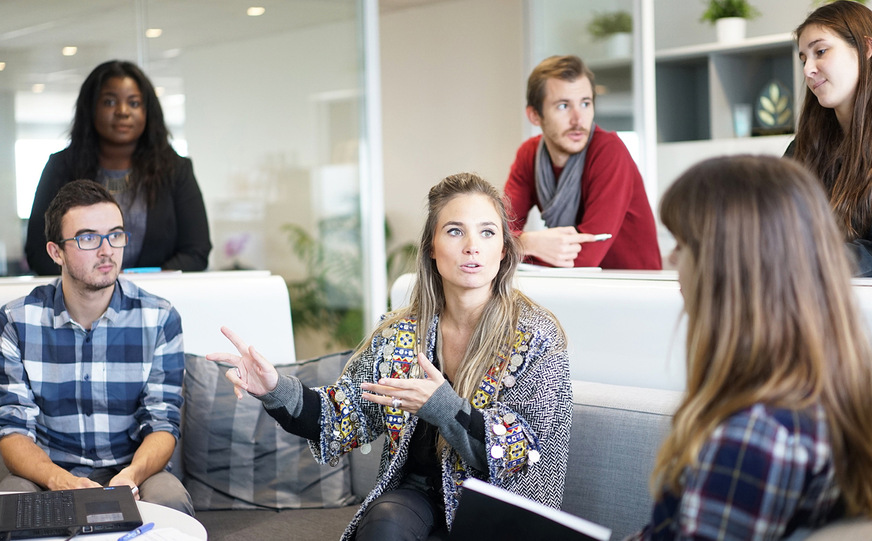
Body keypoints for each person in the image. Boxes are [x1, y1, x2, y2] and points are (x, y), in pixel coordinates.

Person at [208, 173, 572, 540]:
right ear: (431, 247)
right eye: (455, 231)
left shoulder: (537, 336)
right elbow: (341, 415)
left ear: (504, 250)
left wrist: (443, 407)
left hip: (496, 509)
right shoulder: (400, 332)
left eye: (488, 232)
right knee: (384, 523)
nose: (472, 246)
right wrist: (274, 388)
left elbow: (522, 450)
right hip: (417, 499)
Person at [628, 155, 872, 540]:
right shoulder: (826, 389)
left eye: (682, 244)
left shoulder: (755, 435)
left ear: (728, 266)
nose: (671, 260)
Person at [0, 180, 193, 515]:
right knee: (12, 504)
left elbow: (163, 424)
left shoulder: (159, 318)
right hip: (49, 471)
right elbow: (13, 430)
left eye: (115, 235)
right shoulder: (16, 321)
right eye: (88, 237)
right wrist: (62, 481)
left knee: (170, 501)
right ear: (55, 251)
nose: (107, 251)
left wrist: (131, 475)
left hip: (134, 470)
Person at [25, 59, 211, 275]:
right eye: (110, 102)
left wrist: (139, 284)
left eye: (134, 103)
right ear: (90, 108)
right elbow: (39, 252)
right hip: (80, 303)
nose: (123, 111)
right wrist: (94, 282)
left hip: (157, 299)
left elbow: (196, 251)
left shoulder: (176, 170)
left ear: (148, 111)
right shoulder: (61, 167)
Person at [503, 54, 661, 269]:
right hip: (574, 288)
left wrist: (516, 246)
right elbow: (495, 233)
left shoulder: (609, 151)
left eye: (585, 103)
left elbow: (585, 257)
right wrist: (528, 242)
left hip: (632, 290)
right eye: (563, 106)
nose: (578, 119)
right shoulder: (528, 155)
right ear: (534, 116)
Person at [786, 0, 872, 275]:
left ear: (866, 48)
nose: (808, 69)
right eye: (803, 58)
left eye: (820, 51)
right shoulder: (803, 146)